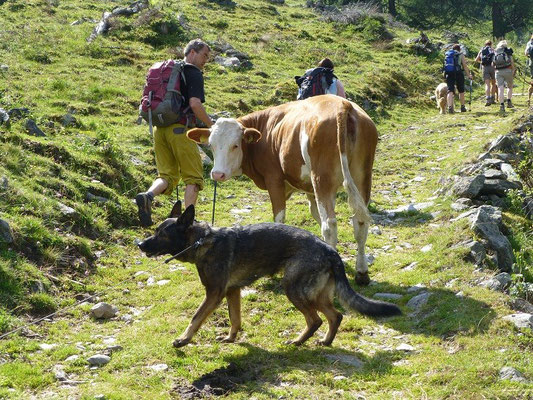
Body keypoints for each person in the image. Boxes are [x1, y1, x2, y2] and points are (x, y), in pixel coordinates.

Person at [135, 39, 213, 227]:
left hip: (159, 130)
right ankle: (188, 222)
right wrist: (212, 126)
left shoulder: (169, 72)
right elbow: (195, 104)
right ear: (192, 52)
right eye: (204, 55)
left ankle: (148, 196)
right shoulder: (192, 72)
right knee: (193, 178)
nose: (205, 61)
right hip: (180, 130)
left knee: (166, 176)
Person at [444, 44, 473, 113]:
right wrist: (469, 75)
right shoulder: (460, 54)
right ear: (459, 49)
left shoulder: (447, 54)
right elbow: (465, 66)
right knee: (461, 90)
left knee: (450, 90)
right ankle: (462, 107)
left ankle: (450, 108)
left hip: (449, 73)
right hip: (458, 73)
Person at [493, 40, 516, 112]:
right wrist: (513, 69)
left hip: (498, 71)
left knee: (500, 88)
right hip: (508, 70)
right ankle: (509, 102)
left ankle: (502, 105)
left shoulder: (495, 51)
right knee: (509, 86)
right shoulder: (507, 51)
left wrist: (495, 70)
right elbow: (511, 61)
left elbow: (492, 63)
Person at [475, 40, 497, 106]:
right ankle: (493, 98)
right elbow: (496, 59)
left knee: (487, 84)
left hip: (485, 67)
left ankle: (488, 99)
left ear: (485, 44)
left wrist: (481, 62)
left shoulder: (482, 50)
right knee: (493, 83)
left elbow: (476, 60)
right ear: (491, 44)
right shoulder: (493, 50)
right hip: (492, 67)